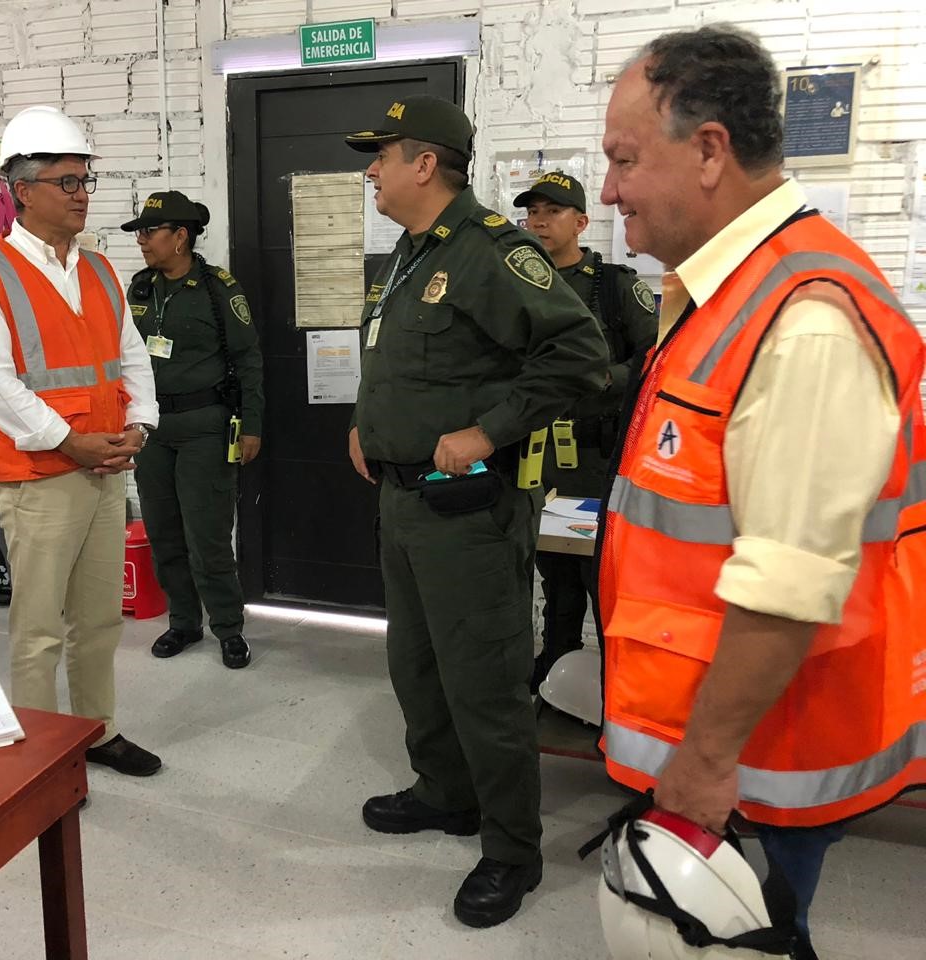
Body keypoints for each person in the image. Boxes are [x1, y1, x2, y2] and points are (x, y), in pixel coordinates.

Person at [596, 25, 926, 959]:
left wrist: (704, 763)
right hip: (725, 737)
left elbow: (790, 579)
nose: (609, 189)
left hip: (757, 759)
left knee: (757, 937)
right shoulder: (724, 291)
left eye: (624, 159)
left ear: (710, 151)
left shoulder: (802, 318)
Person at [343, 96, 609, 927]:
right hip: (402, 501)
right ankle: (445, 792)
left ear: (425, 164)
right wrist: (365, 424)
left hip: (470, 511)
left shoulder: (492, 250)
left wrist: (490, 430)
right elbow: (403, 363)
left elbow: (580, 353)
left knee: (484, 683)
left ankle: (512, 850)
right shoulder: (408, 255)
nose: (371, 171)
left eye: (382, 155)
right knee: (417, 666)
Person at [0, 105, 163, 777]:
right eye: (66, 181)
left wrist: (142, 423)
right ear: (22, 189)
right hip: (41, 475)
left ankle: (97, 730)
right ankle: (40, 762)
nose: (81, 194)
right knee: (39, 628)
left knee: (99, 620)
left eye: (84, 180)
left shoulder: (98, 268)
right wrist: (70, 442)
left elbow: (131, 355)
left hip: (106, 466)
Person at [515, 172, 657, 692]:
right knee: (555, 576)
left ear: (580, 222)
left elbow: (654, 357)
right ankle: (555, 668)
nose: (539, 222)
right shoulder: (518, 285)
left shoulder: (615, 286)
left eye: (552, 212)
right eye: (532, 212)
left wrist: (603, 379)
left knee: (602, 575)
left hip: (599, 457)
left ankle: (615, 683)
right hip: (539, 456)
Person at [120, 191, 265, 670]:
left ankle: (228, 627)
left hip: (205, 427)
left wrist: (252, 425)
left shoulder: (217, 288)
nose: (141, 241)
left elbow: (248, 359)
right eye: (139, 232)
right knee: (164, 533)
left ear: (180, 236)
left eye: (149, 231)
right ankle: (183, 622)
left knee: (207, 537)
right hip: (153, 430)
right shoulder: (141, 289)